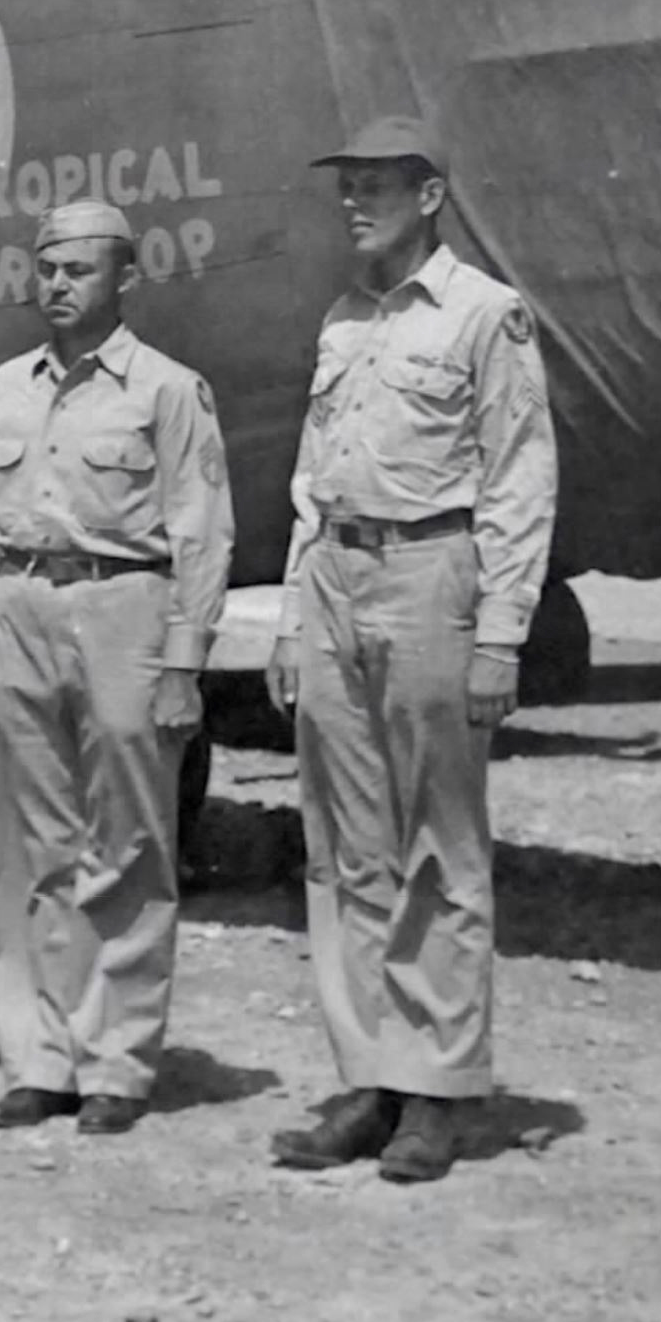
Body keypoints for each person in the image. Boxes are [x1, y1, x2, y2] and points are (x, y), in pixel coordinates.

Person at [266, 116, 556, 1185]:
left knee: (438, 837)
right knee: (344, 843)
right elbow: (310, 479)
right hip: (337, 574)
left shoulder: (485, 316)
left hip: (432, 576)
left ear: (429, 195)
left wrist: (500, 635)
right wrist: (295, 617)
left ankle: (434, 1087)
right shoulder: (343, 319)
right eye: (346, 184)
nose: (354, 203)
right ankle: (367, 1078)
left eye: (378, 185)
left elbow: (520, 479)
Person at [0, 201, 233, 1136]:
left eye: (79, 269)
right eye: (46, 268)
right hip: (24, 606)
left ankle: (116, 1060)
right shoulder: (6, 388)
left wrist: (184, 663)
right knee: (27, 847)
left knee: (126, 841)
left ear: (124, 277)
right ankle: (40, 1060)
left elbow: (202, 535)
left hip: (125, 607)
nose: (58, 284)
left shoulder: (167, 390)